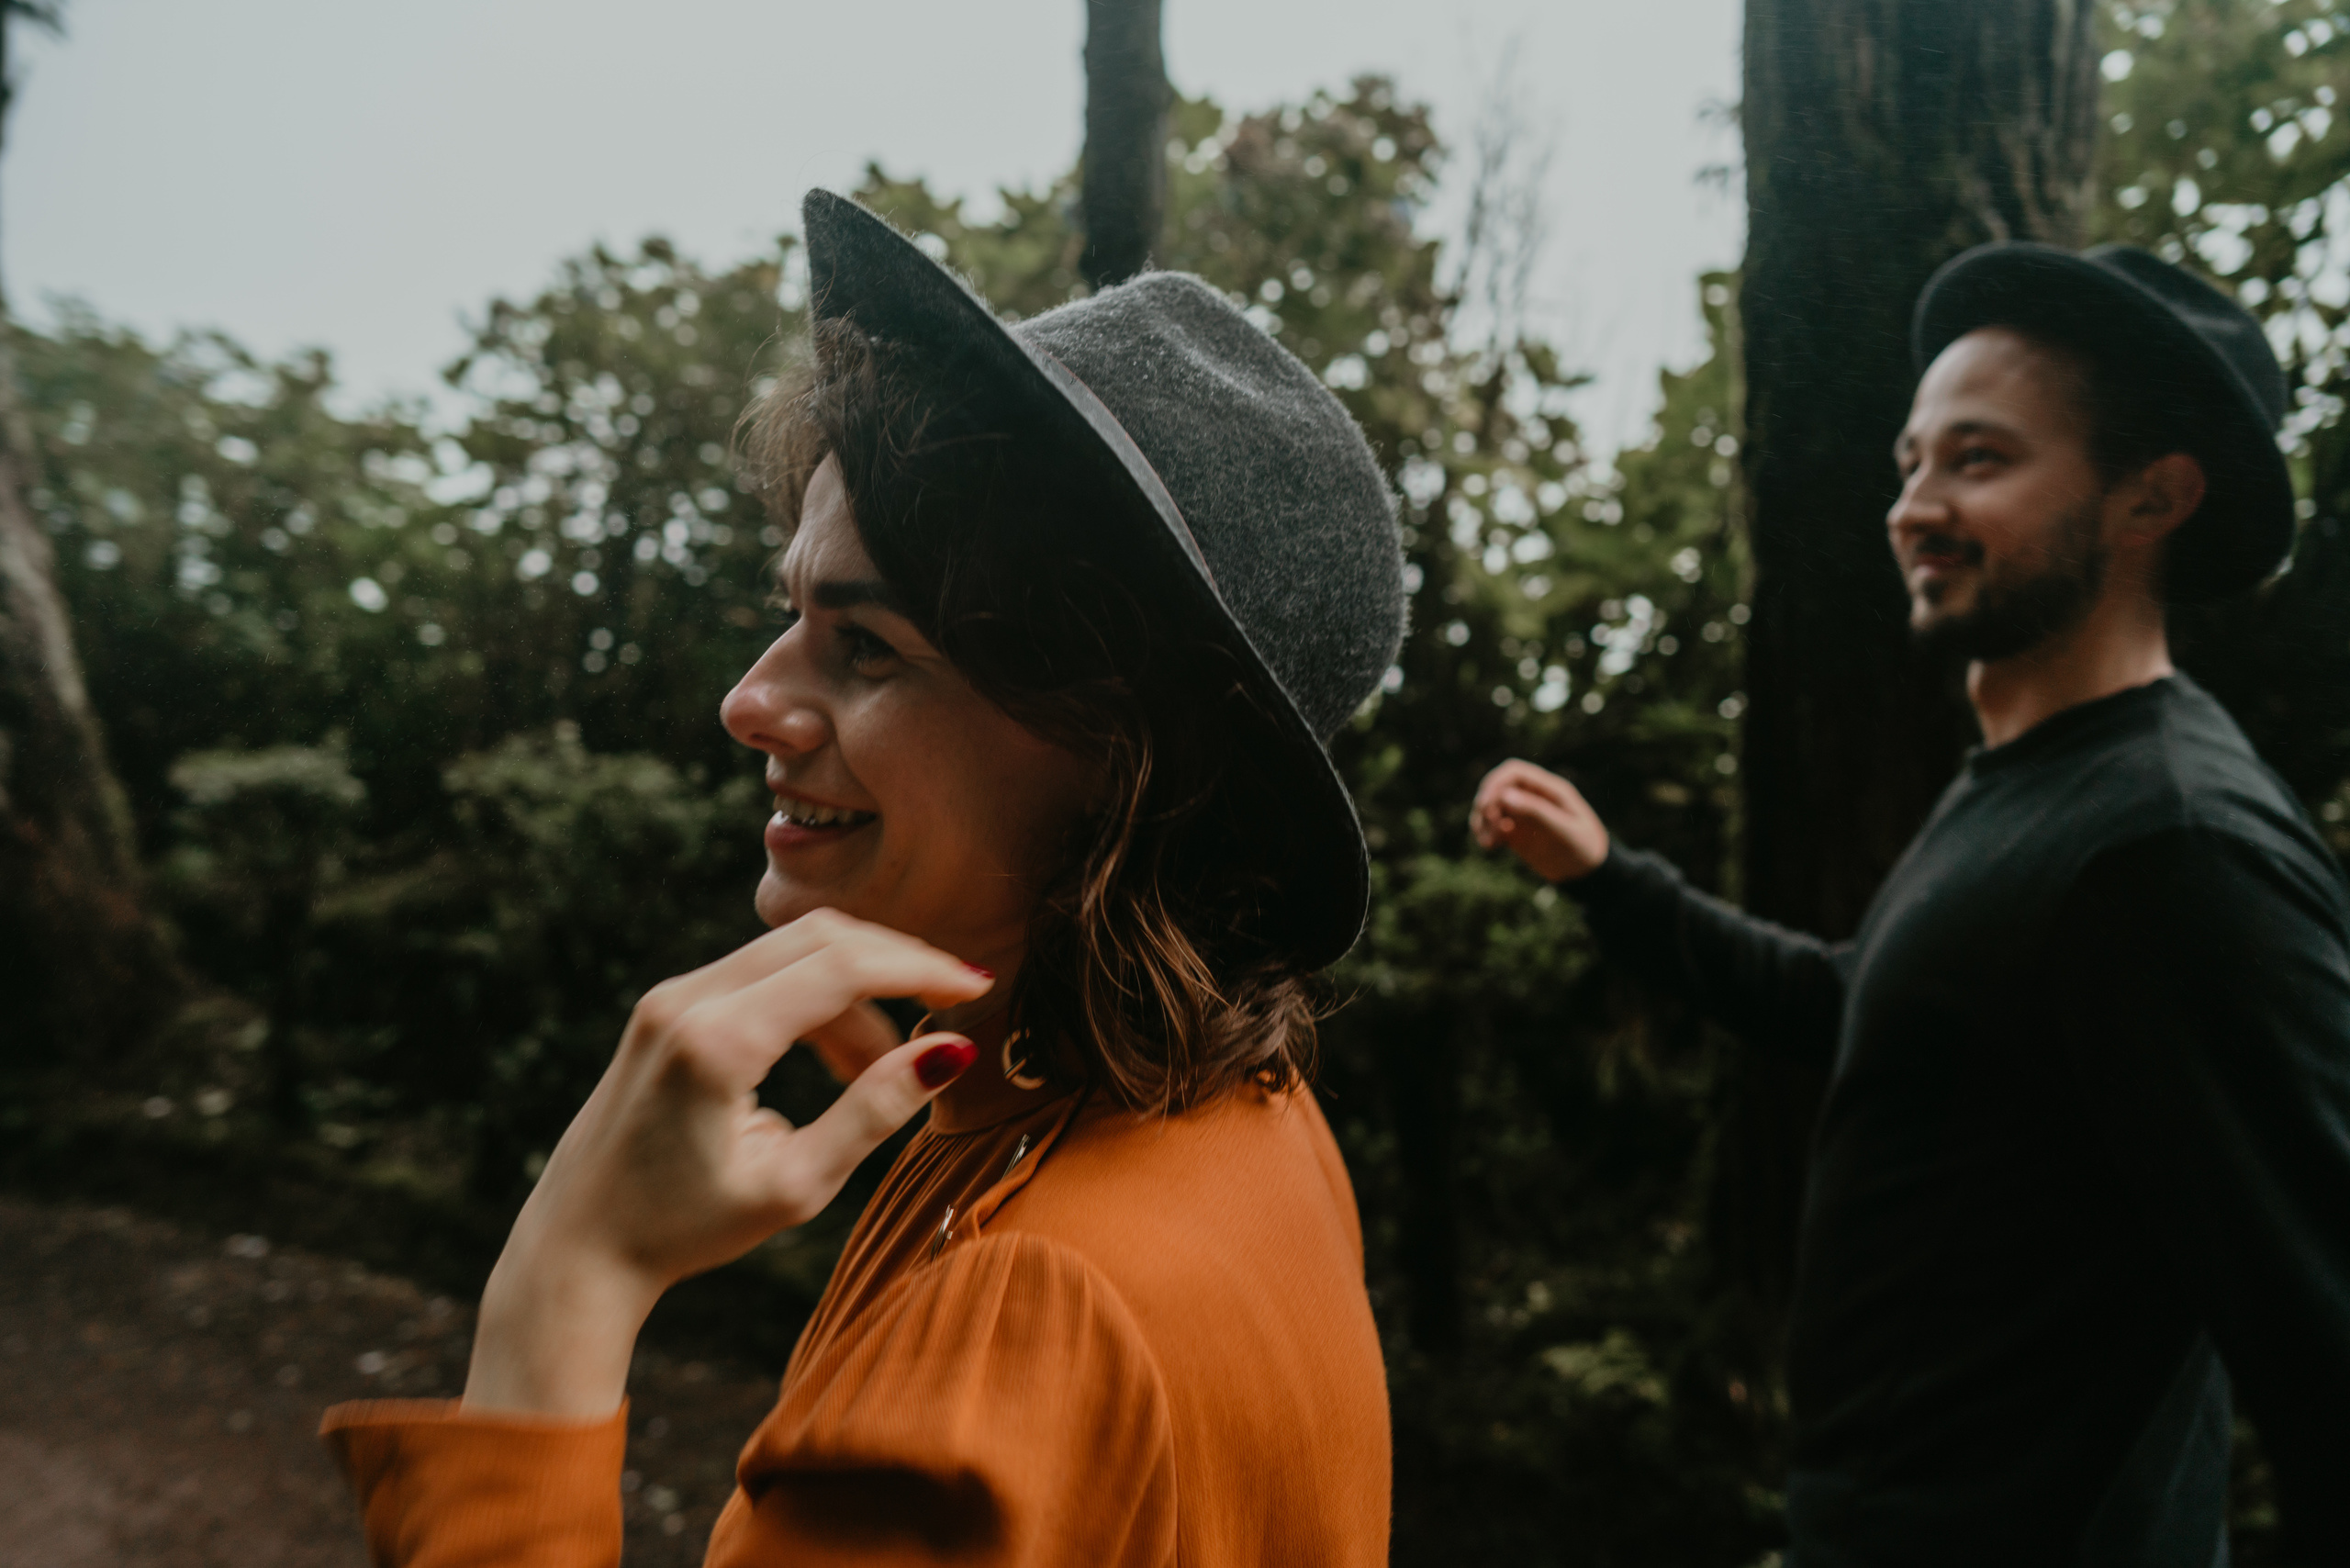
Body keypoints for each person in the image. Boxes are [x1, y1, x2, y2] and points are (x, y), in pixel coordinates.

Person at [317, 189, 1404, 1566]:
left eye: (868, 646)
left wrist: (565, 1282)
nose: (746, 703)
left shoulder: (1022, 1304)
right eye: (791, 617)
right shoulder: (1231, 1114)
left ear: (1115, 755)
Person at [1475, 244, 2350, 1564]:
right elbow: (1864, 1005)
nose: (1913, 507)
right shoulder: (2033, 792)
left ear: (2152, 497)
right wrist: (1611, 883)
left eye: (1981, 460)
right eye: (1912, 462)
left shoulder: (2173, 847)